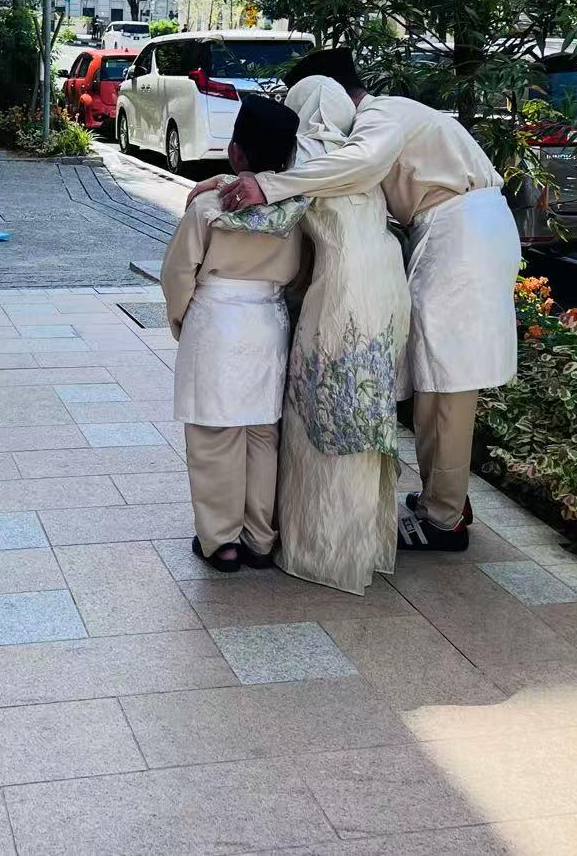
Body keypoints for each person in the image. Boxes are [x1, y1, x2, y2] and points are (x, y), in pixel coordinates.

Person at [196, 46, 521, 552]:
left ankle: (444, 518)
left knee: (448, 383)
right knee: (437, 378)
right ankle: (445, 498)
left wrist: (266, 184)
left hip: (459, 235)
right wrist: (232, 181)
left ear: (332, 94)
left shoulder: (380, 116)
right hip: (457, 230)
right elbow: (325, 175)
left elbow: (356, 164)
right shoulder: (376, 124)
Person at [253, 75, 409, 593]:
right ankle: (366, 547)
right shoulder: (355, 154)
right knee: (364, 412)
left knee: (319, 411)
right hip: (387, 287)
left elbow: (268, 217)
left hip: (341, 291)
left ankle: (321, 551)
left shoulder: (305, 153)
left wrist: (217, 192)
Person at [160, 95, 307, 572]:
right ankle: (260, 538)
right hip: (268, 323)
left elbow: (177, 273)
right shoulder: (295, 209)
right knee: (262, 432)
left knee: (214, 433)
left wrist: (182, 320)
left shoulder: (209, 205)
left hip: (217, 321)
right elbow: (300, 275)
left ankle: (222, 541)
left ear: (235, 152)